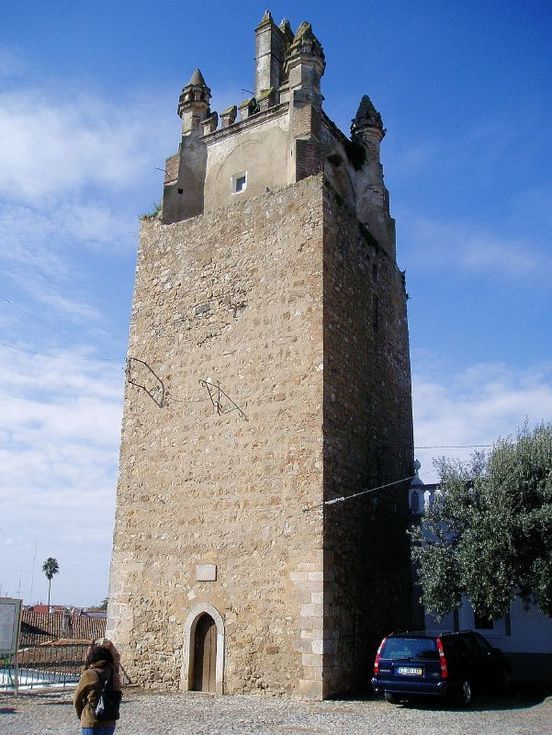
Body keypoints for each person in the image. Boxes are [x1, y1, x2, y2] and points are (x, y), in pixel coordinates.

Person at [73, 643, 121, 735]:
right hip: (109, 721)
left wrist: (81, 715)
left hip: (91, 720)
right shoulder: (114, 675)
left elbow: (77, 698)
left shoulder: (89, 674)